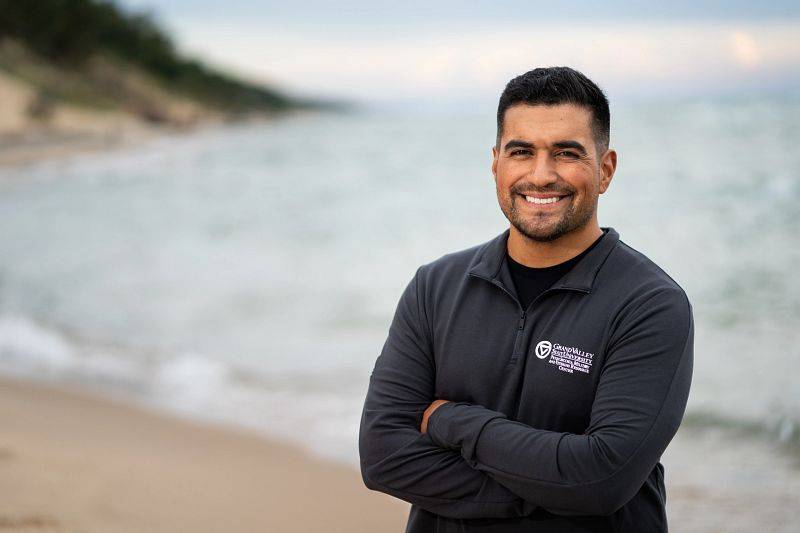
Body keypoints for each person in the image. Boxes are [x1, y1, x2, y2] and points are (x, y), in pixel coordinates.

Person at [358, 66, 694, 532]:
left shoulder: (650, 304)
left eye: (566, 153)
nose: (541, 175)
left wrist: (454, 422)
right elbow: (383, 456)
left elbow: (603, 479)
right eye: (522, 152)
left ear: (606, 169)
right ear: (496, 163)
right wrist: (556, 495)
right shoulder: (435, 287)